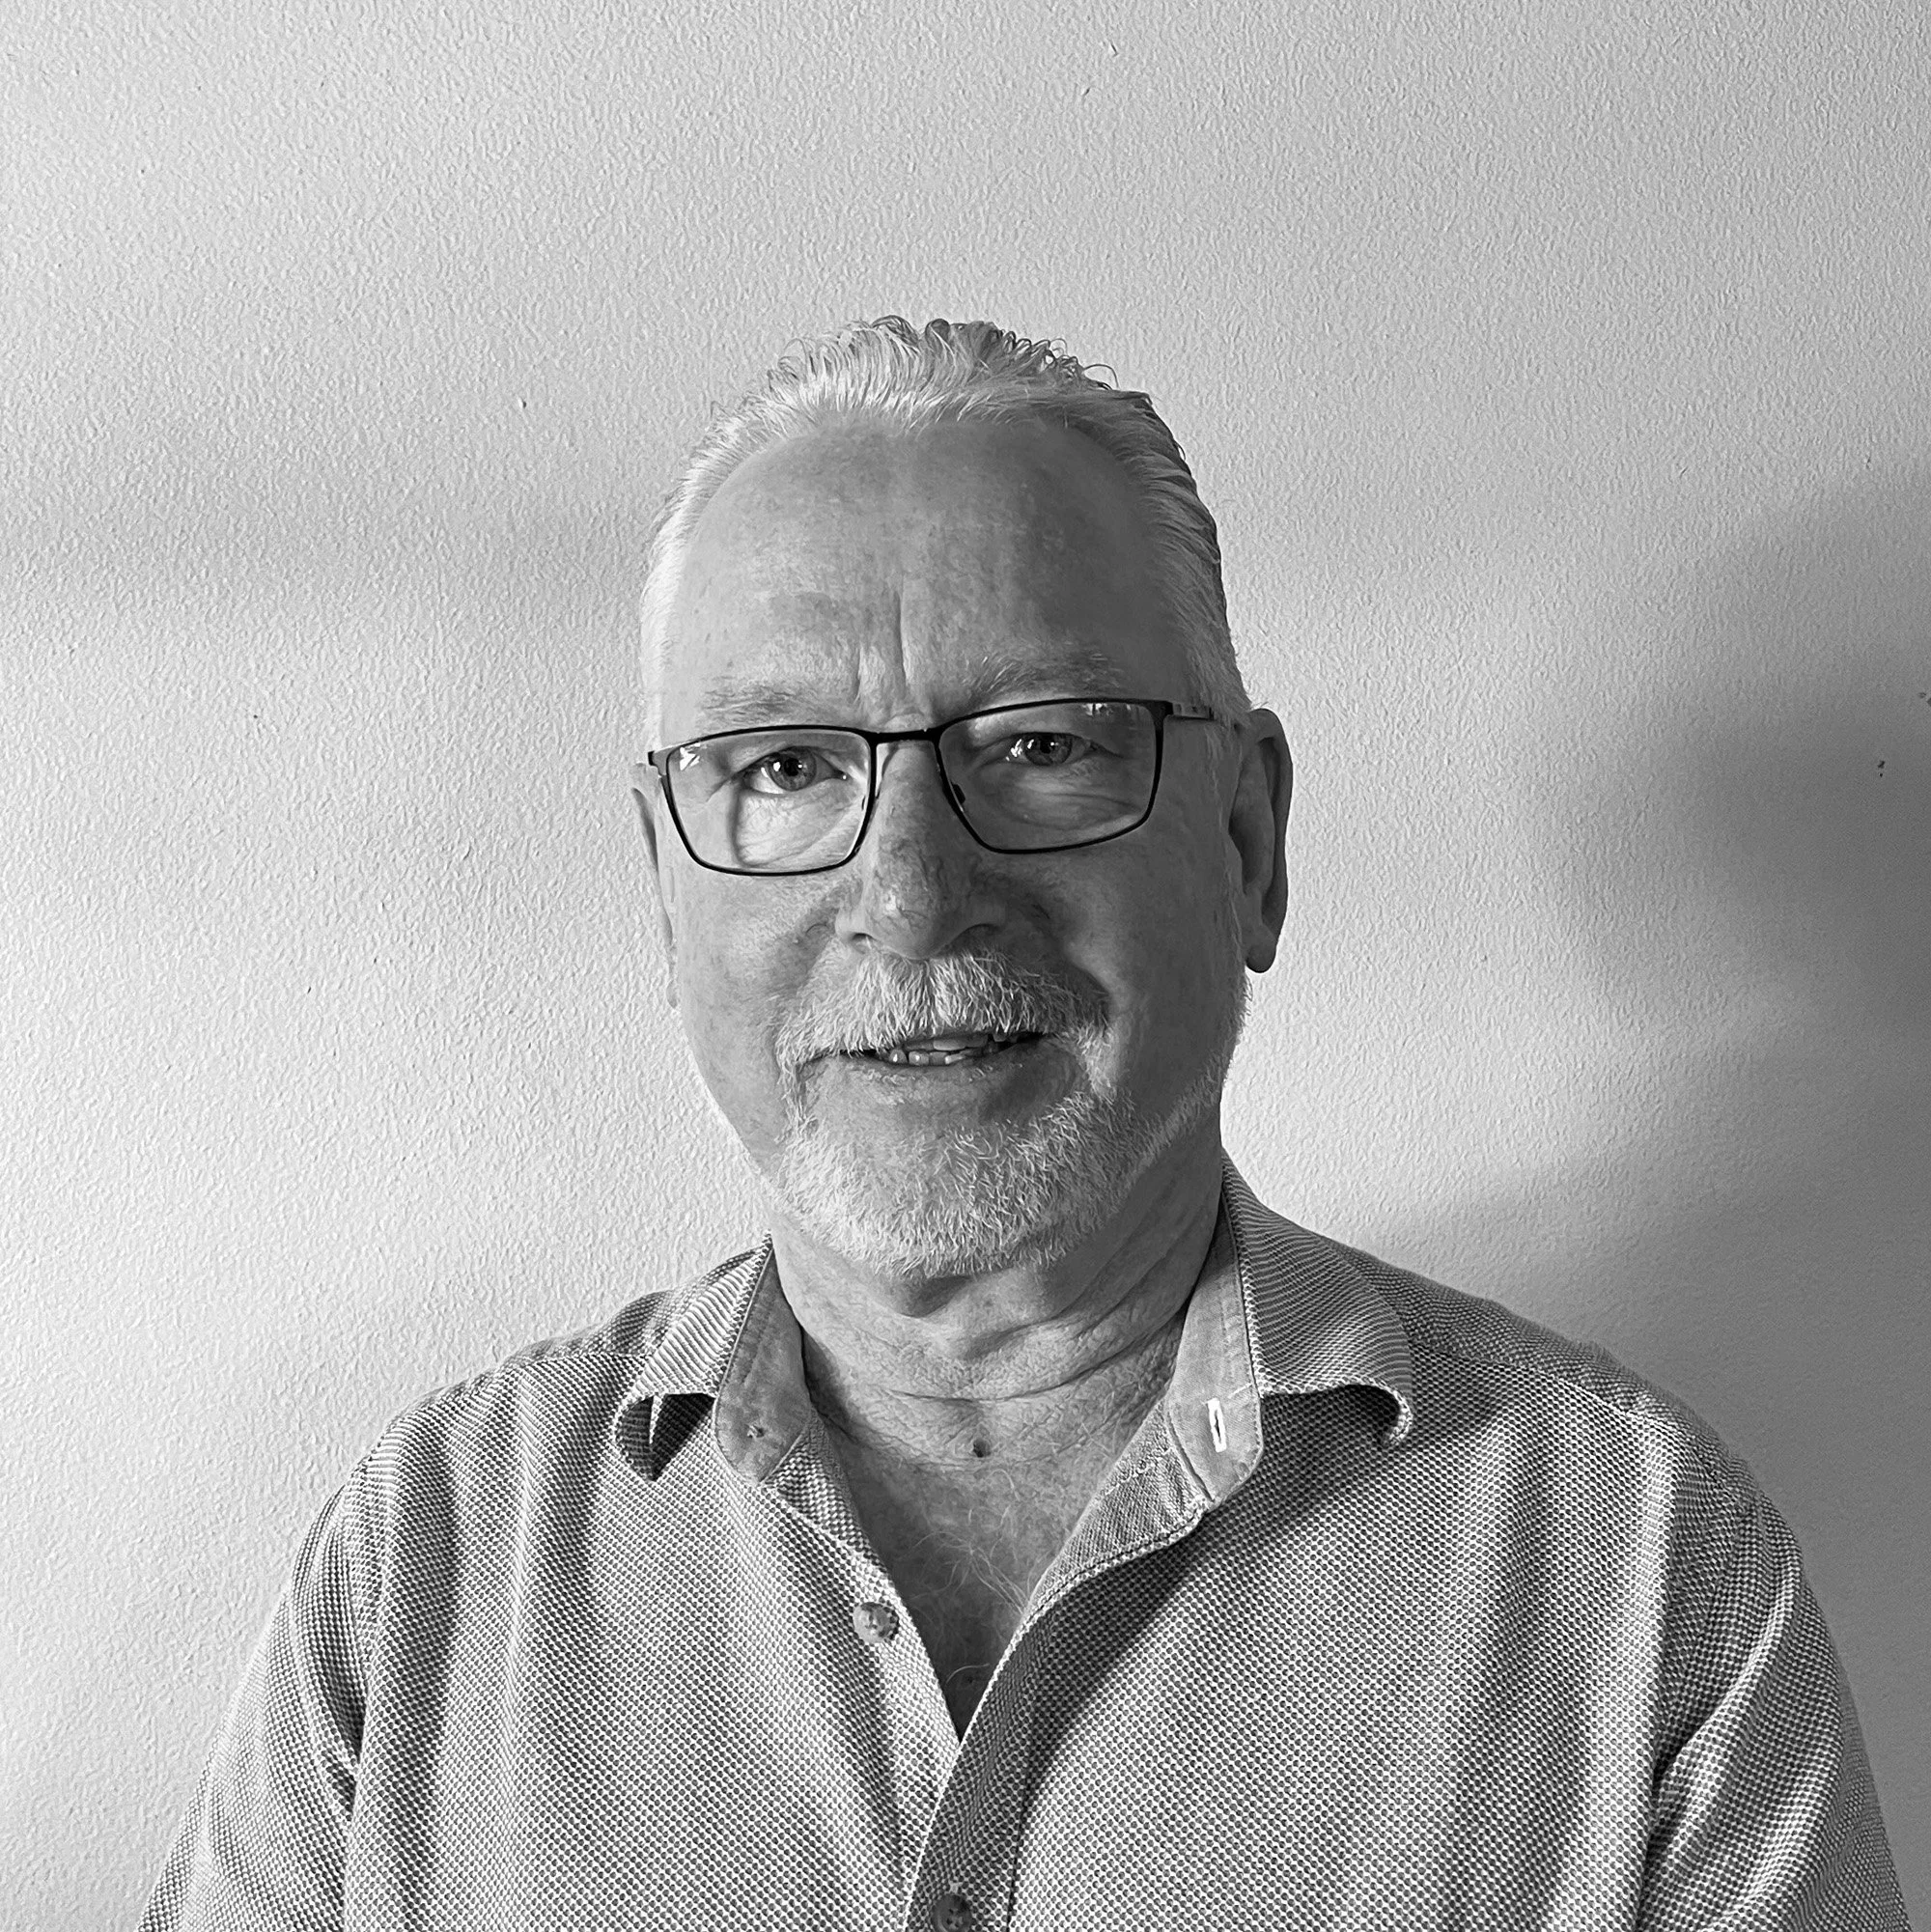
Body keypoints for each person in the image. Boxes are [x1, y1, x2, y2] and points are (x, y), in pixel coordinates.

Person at [144, 317, 1908, 1930]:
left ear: (1246, 847)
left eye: (1045, 746)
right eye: (784, 769)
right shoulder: (422, 1570)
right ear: (667, 896)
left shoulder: (1645, 1564)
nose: (911, 899)